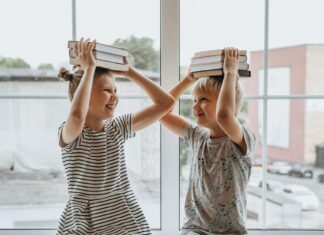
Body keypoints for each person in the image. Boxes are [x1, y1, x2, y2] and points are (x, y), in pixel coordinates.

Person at [56, 38, 174, 235]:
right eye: (107, 91)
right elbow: (77, 116)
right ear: (83, 94)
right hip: (85, 221)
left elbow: (166, 104)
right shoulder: (72, 133)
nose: (115, 96)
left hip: (122, 216)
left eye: (115, 90)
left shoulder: (117, 128)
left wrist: (130, 72)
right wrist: (90, 69)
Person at [160, 47, 256, 234]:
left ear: (226, 102)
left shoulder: (241, 138)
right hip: (195, 229)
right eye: (194, 100)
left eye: (203, 99)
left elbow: (224, 116)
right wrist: (188, 80)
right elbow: (161, 113)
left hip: (231, 231)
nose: (195, 106)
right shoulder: (198, 135)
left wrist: (230, 73)